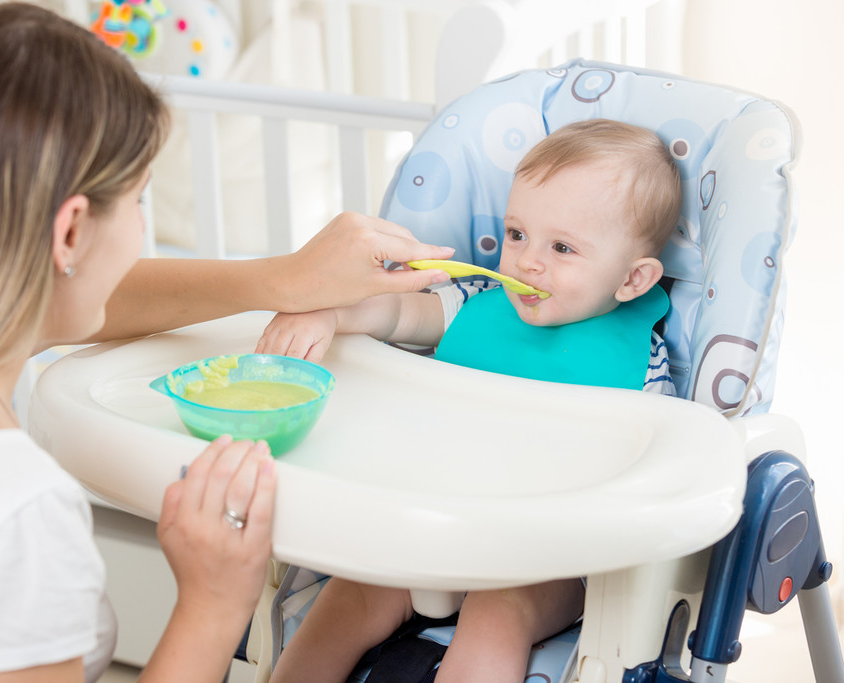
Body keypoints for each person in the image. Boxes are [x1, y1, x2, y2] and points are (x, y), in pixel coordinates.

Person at [0, 5, 453, 682]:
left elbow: (80, 296)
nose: (142, 230)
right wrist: (212, 603)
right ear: (69, 233)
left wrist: (284, 278)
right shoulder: (12, 512)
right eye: (139, 200)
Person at [256, 118, 683, 682]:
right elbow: (397, 313)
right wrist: (330, 313)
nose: (527, 262)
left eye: (562, 247)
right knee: (353, 592)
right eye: (517, 234)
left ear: (633, 280)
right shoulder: (479, 300)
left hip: (550, 554)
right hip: (436, 517)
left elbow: (656, 471)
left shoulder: (641, 368)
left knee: (498, 612)